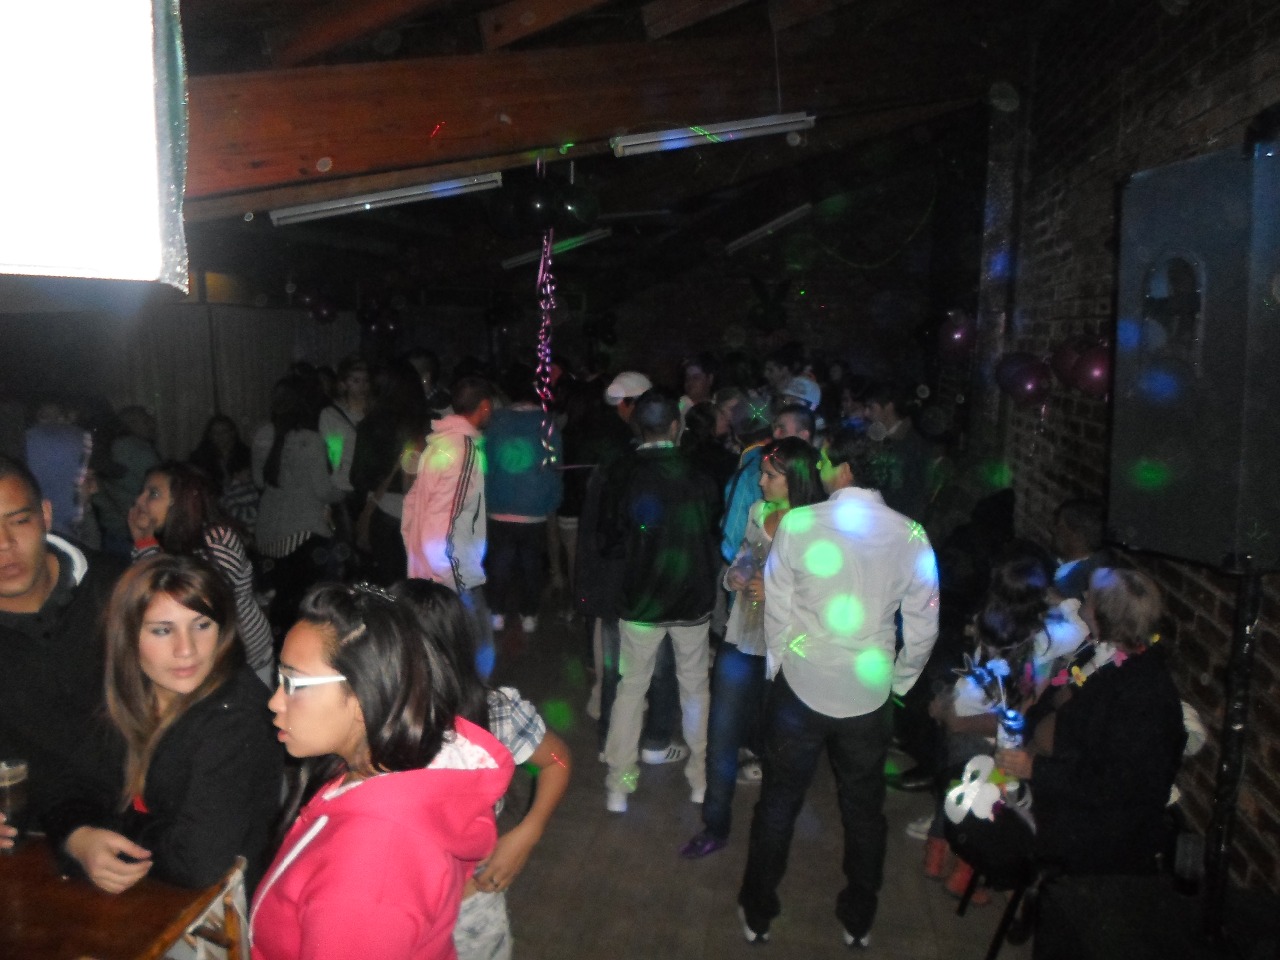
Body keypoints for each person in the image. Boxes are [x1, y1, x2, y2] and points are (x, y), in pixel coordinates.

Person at [737, 427, 939, 947]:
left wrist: (778, 666)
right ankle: (858, 919)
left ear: (845, 470)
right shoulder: (911, 534)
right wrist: (899, 682)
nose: (820, 469)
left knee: (779, 803)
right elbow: (924, 626)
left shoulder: (800, 524)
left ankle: (758, 911)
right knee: (864, 812)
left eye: (825, 461)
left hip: (801, 685)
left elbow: (778, 608)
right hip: (868, 693)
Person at [250, 582, 514, 960]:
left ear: (364, 692)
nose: (275, 701)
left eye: (294, 683)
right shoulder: (380, 768)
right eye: (280, 679)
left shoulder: (370, 875)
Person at [46, 555, 282, 893]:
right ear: (128, 636)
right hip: (152, 895)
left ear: (223, 630)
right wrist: (80, 838)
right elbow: (69, 786)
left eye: (202, 625)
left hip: (222, 909)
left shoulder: (236, 715)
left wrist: (117, 826)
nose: (186, 650)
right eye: (162, 630)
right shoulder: (133, 693)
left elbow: (198, 861)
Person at [391, 579, 572, 960]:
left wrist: (528, 832)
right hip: (389, 912)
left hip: (469, 909)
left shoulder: (493, 711)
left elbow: (556, 760)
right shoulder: (363, 716)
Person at [681, 437, 824, 859]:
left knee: (780, 745)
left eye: (770, 476)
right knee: (721, 735)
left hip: (788, 651)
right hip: (741, 640)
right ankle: (715, 824)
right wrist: (736, 578)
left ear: (795, 480)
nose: (760, 483)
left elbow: (823, 598)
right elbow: (744, 558)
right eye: (762, 474)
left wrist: (776, 591)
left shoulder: (817, 529)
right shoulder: (759, 511)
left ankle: (773, 836)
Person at [996, 566, 1185, 876]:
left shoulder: (1144, 695)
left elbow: (1115, 785)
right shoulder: (1097, 652)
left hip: (1098, 822)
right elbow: (1049, 701)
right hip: (1060, 781)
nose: (1083, 595)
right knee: (977, 785)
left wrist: (1036, 769)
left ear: (1102, 615)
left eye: (1091, 595)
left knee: (988, 820)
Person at [599, 390, 720, 814]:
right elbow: (713, 530)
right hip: (691, 597)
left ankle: (619, 786)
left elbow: (610, 540)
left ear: (638, 426)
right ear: (675, 425)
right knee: (695, 688)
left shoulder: (623, 474)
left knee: (631, 689)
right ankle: (701, 781)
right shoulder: (699, 472)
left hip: (641, 600)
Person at [0, 454, 125, 849]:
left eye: (19, 521)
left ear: (46, 515)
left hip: (151, 826)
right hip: (36, 842)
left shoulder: (121, 591)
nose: (4, 544)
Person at [128, 461, 275, 681]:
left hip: (244, 658)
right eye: (142, 492)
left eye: (154, 494)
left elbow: (189, 603)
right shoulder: (166, 541)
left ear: (180, 501)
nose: (139, 501)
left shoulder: (217, 541)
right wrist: (144, 542)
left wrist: (145, 545)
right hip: (206, 658)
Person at [401, 375, 497, 677]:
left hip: (432, 566)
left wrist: (418, 560)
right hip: (451, 570)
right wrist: (449, 574)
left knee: (446, 652)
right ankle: (475, 702)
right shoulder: (463, 449)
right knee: (478, 649)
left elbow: (413, 504)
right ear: (484, 406)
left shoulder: (440, 444)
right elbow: (447, 516)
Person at [252, 374, 344, 634]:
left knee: (281, 603)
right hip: (302, 532)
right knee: (311, 607)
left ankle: (280, 647)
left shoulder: (263, 433)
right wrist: (344, 491)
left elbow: (259, 480)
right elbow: (324, 490)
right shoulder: (310, 439)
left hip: (269, 531)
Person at [484, 364, 563, 635]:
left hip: (500, 503)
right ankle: (529, 614)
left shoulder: (496, 421)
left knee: (500, 562)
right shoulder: (546, 423)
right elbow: (555, 466)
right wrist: (552, 499)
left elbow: (487, 464)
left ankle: (497, 612)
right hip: (534, 506)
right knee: (531, 563)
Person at [188, 414, 259, 535]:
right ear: (209, 435)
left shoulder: (246, 455)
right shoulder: (200, 457)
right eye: (215, 433)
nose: (220, 436)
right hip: (213, 511)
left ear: (233, 432)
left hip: (242, 510)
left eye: (224, 431)